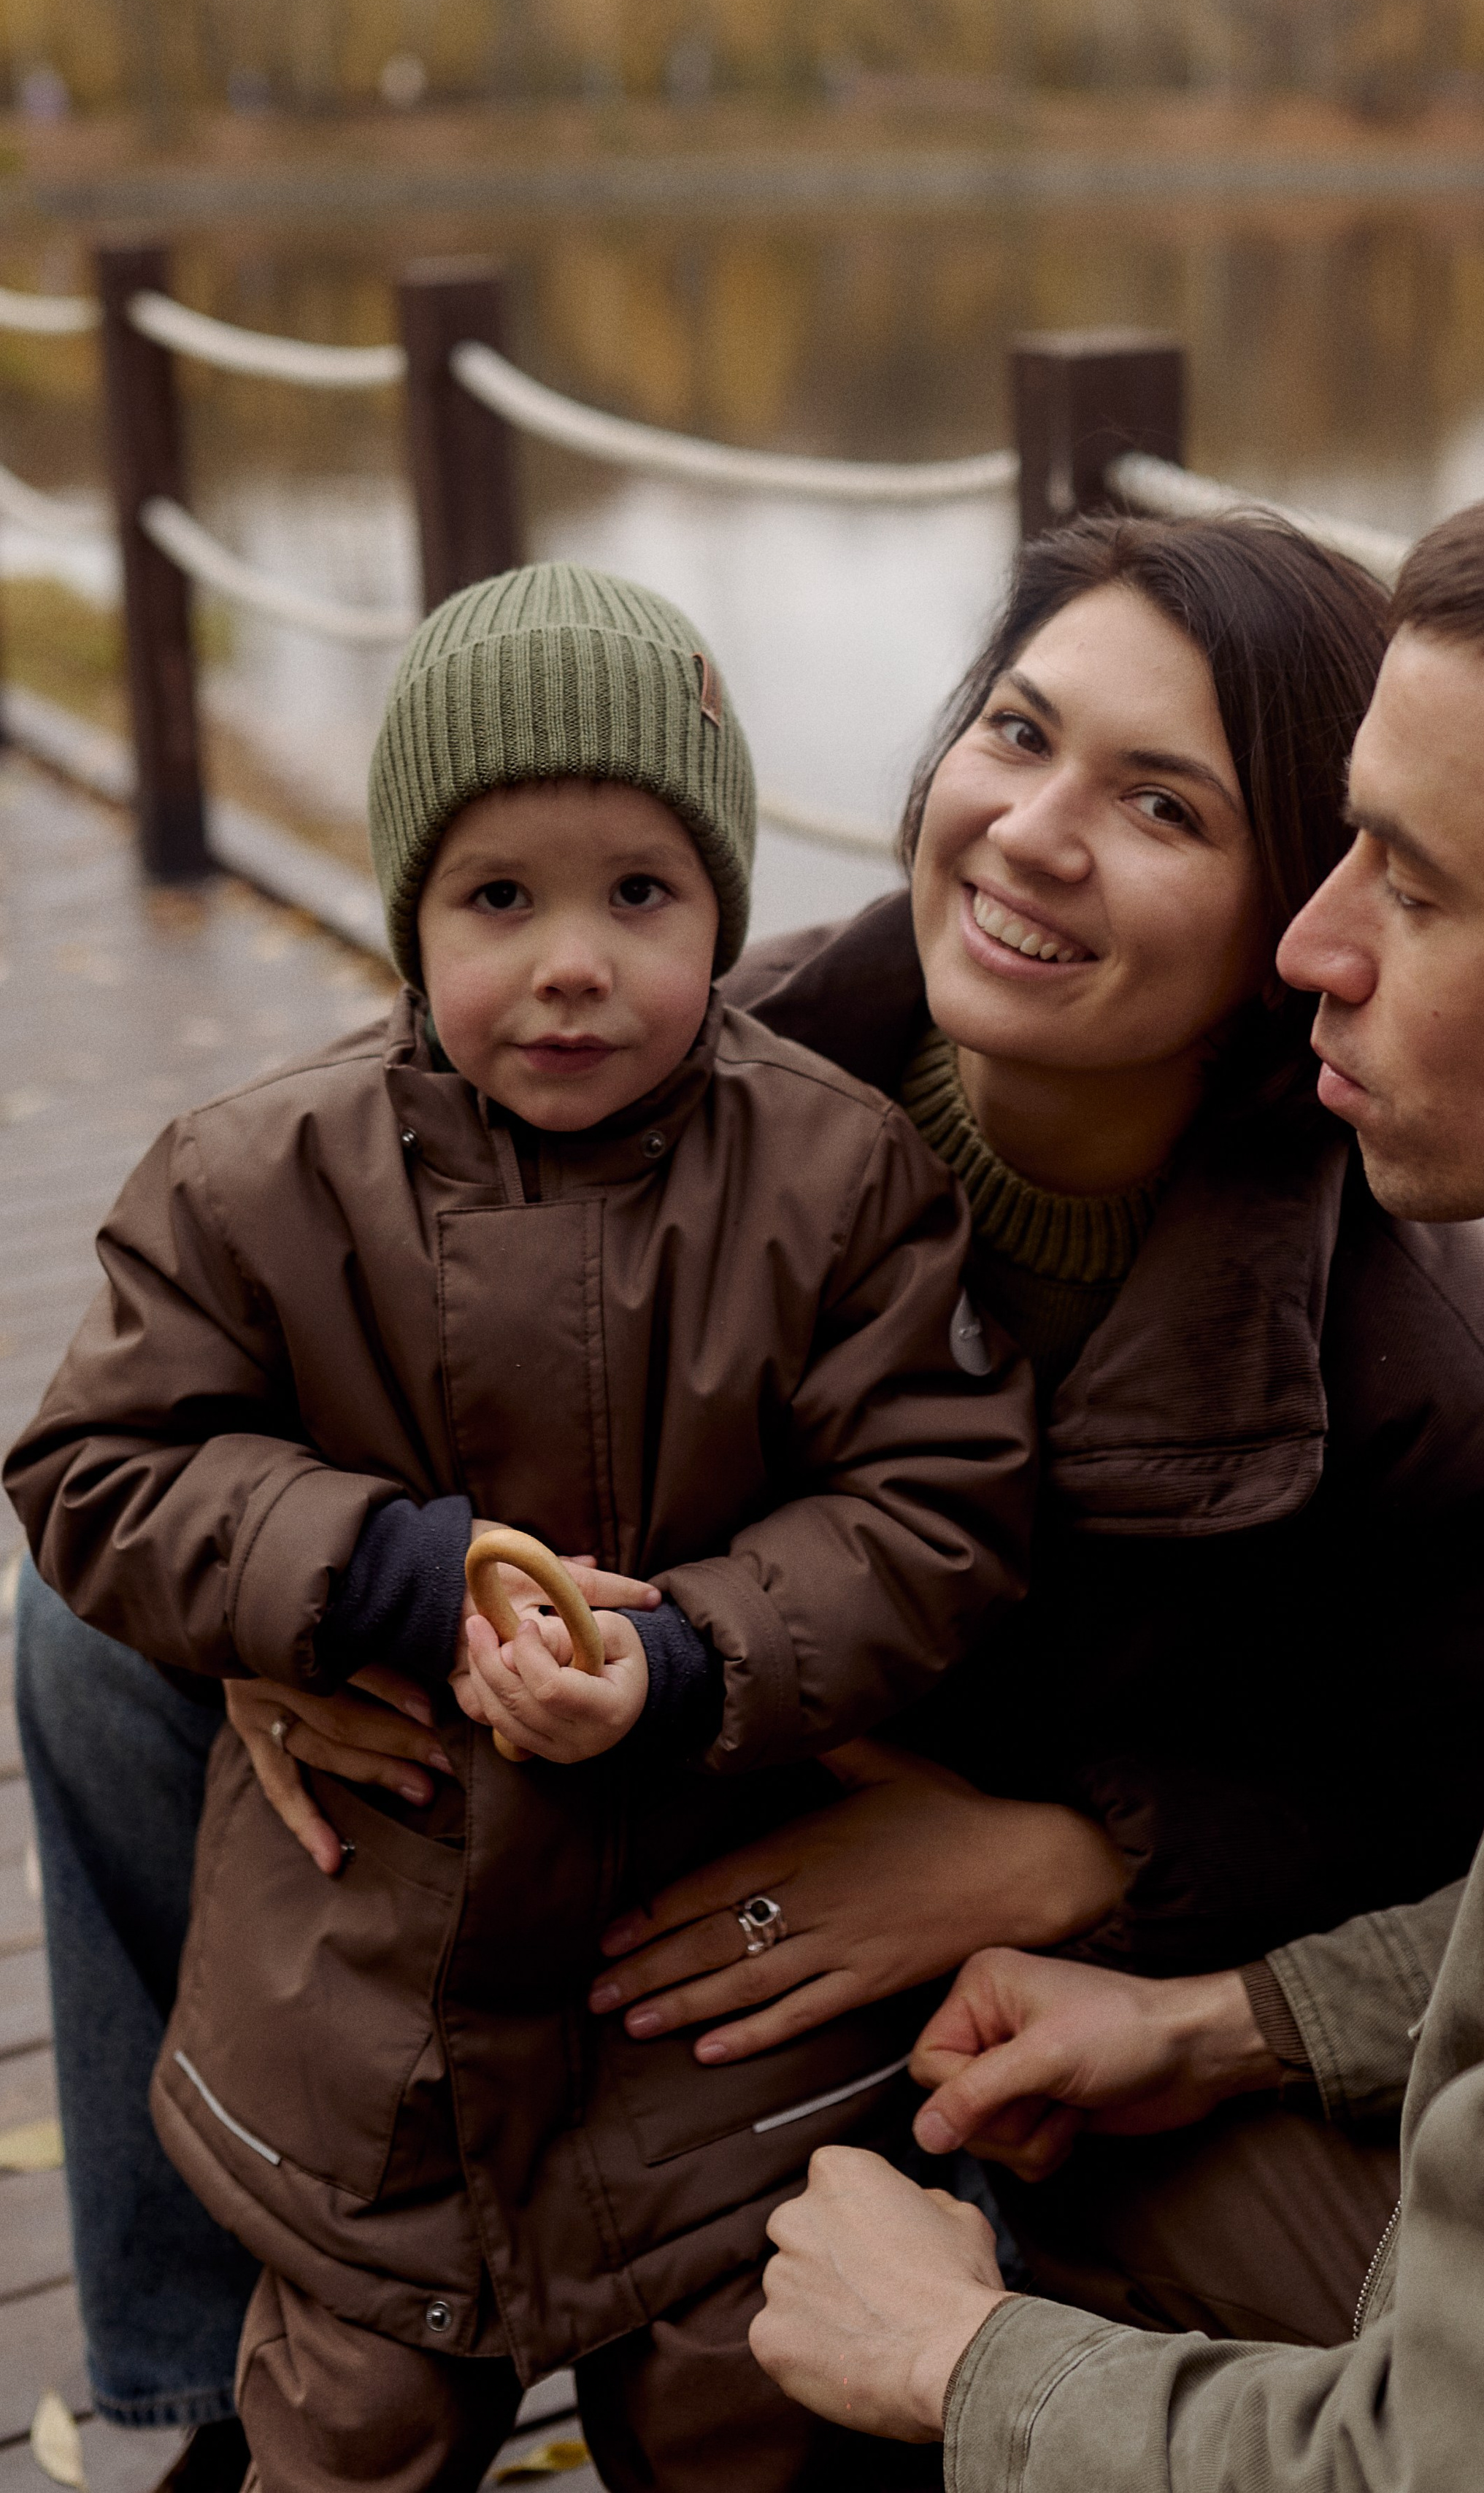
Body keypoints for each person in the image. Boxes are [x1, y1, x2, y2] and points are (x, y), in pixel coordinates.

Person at [14, 518, 1484, 2484]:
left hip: (1063, 1948)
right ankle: (203, 2378)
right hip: (679, 1746)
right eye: (1016, 732)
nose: (1033, 830)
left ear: (1300, 904)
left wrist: (1082, 1860)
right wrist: (319, 1598)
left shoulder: (1433, 1360)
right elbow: (336, 1218)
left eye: (1164, 807)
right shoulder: (726, 1038)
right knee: (97, 1626)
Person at [745, 450, 1484, 2493]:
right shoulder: (747, 1069)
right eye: (1341, 848)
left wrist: (956, 2358)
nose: (1314, 944)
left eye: (1411, 886)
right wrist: (1229, 2019)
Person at [6, 563, 1035, 2493]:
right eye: (500, 898)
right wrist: (368, 1569)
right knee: (353, 2412)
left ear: (722, 902)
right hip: (363, 1976)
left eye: (639, 894)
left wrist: (687, 1653)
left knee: (749, 2406)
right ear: (409, 915)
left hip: (702, 1993)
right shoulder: (258, 1177)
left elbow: (937, 1506)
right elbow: (100, 1468)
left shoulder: (835, 1176)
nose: (574, 960)